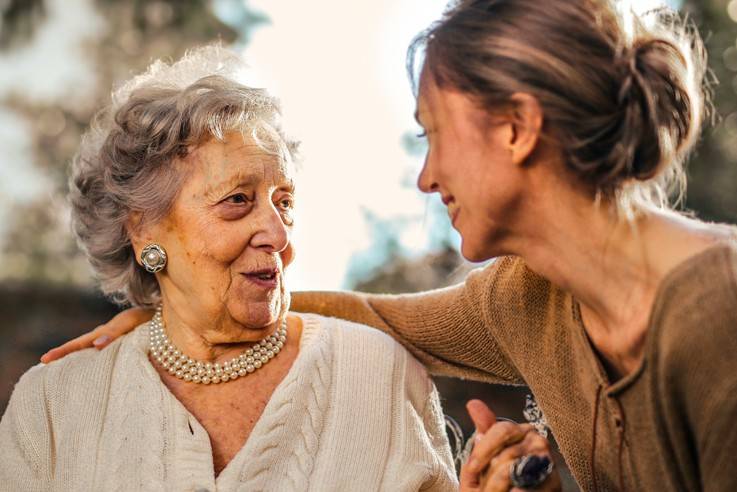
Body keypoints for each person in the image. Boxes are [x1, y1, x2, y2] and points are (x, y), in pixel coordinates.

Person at [42, 0, 737, 490]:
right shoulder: (526, 300)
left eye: (433, 133)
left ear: (517, 129)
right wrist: (178, 308)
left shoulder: (716, 309)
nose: (427, 176)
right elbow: (377, 316)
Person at [0, 46, 459, 491]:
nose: (278, 236)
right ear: (143, 231)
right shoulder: (53, 405)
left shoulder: (380, 376)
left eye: (285, 203)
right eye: (237, 200)